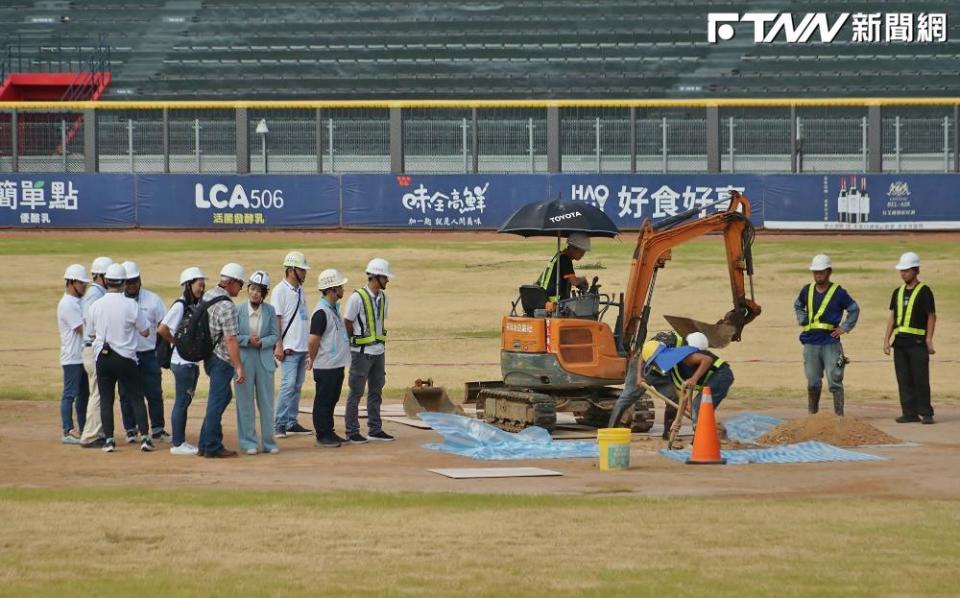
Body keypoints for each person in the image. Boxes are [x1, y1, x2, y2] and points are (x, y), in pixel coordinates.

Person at [88, 263, 152, 453]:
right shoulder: (131, 305)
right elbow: (146, 331)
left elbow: (91, 334)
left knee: (106, 399)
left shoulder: (96, 305)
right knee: (136, 398)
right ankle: (145, 438)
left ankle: (109, 440)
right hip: (126, 357)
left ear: (106, 281)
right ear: (124, 283)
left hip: (103, 357)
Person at [793, 254, 860, 416]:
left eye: (821, 272)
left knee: (835, 377)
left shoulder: (838, 292)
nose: (818, 275)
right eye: (815, 272)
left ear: (829, 272)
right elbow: (798, 305)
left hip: (830, 342)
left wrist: (845, 328)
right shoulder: (807, 290)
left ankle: (839, 416)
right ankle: (812, 414)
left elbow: (854, 309)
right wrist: (802, 318)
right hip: (811, 342)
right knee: (812, 379)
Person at [343, 258, 395, 443]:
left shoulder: (383, 298)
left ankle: (375, 429)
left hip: (378, 352)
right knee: (356, 392)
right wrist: (352, 345)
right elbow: (347, 322)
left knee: (376, 391)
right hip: (361, 353)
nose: (388, 280)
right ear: (376, 277)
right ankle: (352, 431)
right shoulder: (357, 297)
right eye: (385, 277)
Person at [197, 263, 247, 458]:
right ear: (231, 282)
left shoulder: (208, 295)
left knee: (221, 398)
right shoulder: (227, 306)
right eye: (240, 285)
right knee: (217, 401)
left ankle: (204, 443)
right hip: (222, 359)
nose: (240, 289)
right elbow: (231, 339)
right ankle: (211, 446)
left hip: (209, 356)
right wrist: (239, 366)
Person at [117, 260, 170, 443]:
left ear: (140, 280)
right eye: (128, 281)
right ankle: (130, 430)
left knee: (154, 392)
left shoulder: (153, 299)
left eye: (134, 280)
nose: (131, 284)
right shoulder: (117, 301)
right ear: (122, 282)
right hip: (125, 355)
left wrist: (160, 350)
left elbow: (165, 324)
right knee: (125, 393)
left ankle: (157, 428)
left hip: (148, 353)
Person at [157, 266, 206, 455]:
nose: (202, 289)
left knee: (184, 401)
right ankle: (178, 443)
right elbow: (162, 329)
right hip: (182, 362)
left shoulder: (193, 304)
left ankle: (179, 441)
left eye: (203, 285)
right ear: (188, 285)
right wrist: (178, 343)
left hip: (188, 362)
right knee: (181, 402)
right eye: (199, 285)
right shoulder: (180, 305)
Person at [883, 252, 936, 424]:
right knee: (903, 379)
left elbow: (931, 316)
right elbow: (892, 317)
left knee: (920, 378)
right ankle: (909, 412)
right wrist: (886, 340)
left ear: (916, 270)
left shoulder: (925, 291)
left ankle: (926, 412)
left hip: (918, 343)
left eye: (906, 270)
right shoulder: (897, 292)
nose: (903, 274)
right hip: (900, 343)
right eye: (902, 271)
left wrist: (929, 339)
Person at [609, 330, 688, 439]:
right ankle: (611, 431)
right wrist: (639, 376)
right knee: (627, 398)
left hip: (661, 373)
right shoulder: (667, 341)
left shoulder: (687, 352)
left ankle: (668, 434)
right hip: (642, 367)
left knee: (673, 398)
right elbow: (642, 354)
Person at [235, 271, 280, 455]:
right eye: (252, 288)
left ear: (264, 294)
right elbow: (231, 337)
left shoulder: (270, 311)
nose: (254, 293)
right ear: (248, 290)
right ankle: (248, 442)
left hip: (264, 360)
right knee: (244, 403)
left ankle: (269, 442)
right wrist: (247, 340)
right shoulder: (237, 310)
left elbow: (274, 335)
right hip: (244, 360)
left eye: (259, 290)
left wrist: (263, 342)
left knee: (267, 403)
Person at [307, 269, 351, 448]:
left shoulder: (331, 309)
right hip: (326, 365)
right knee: (324, 401)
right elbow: (313, 340)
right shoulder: (321, 312)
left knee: (332, 399)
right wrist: (312, 358)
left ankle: (329, 431)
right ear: (332, 289)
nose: (343, 289)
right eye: (340, 286)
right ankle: (322, 434)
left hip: (335, 364)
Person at [272, 251, 313, 437]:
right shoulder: (279, 290)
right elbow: (276, 319)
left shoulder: (300, 290)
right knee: (288, 385)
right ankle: (279, 423)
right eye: (302, 270)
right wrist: (278, 345)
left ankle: (291, 421)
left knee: (297, 386)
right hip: (289, 347)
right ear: (291, 270)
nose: (305, 273)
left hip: (302, 347)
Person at [79, 256, 113, 448]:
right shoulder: (96, 295)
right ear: (100, 276)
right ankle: (90, 435)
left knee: (98, 392)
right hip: (93, 349)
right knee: (98, 393)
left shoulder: (96, 293)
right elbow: (92, 325)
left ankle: (96, 431)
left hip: (92, 349)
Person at [57, 264, 90, 445]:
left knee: (83, 394)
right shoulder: (67, 304)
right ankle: (68, 430)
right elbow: (81, 328)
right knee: (70, 394)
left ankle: (84, 428)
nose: (84, 286)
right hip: (72, 357)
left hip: (81, 356)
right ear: (71, 282)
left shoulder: (77, 302)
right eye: (81, 283)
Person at [537, 232, 591, 302]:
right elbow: (574, 281)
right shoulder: (565, 260)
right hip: (554, 301)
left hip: (545, 297)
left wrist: (579, 282)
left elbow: (568, 279)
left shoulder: (560, 256)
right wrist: (583, 279)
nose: (583, 254)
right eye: (582, 251)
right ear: (574, 248)